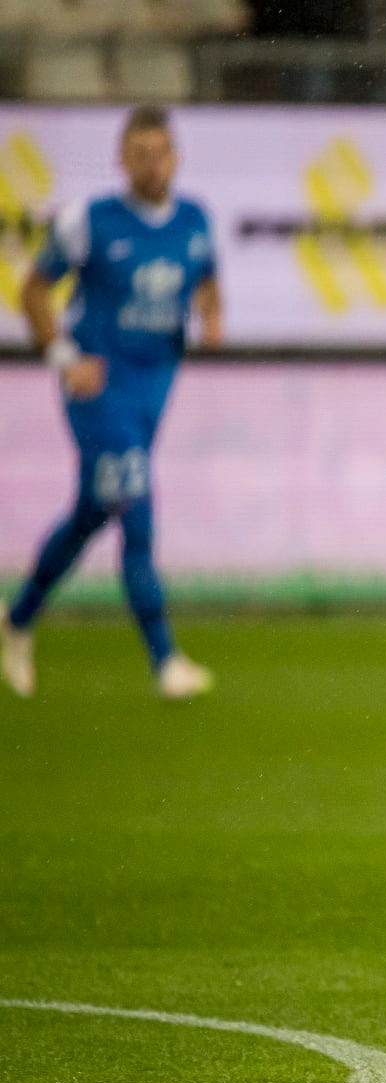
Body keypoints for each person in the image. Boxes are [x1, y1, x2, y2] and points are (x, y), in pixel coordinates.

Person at [3, 106, 222, 701]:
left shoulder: (196, 222)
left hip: (153, 389)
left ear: (175, 158)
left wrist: (211, 313)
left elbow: (205, 280)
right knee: (136, 505)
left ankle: (17, 619)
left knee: (93, 512)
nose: (151, 164)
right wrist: (61, 358)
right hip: (96, 386)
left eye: (160, 153)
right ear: (121, 160)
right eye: (139, 153)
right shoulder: (90, 221)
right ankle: (165, 660)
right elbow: (33, 289)